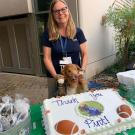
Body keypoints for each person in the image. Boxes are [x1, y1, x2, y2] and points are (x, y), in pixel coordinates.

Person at [42, 0, 88, 98]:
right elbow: (47, 58)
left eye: (63, 9)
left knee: (78, 99)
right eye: (56, 11)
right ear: (53, 14)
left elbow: (84, 54)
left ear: (68, 10)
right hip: (56, 77)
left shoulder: (78, 32)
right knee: (56, 102)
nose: (60, 13)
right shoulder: (48, 34)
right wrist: (56, 76)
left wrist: (82, 71)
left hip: (75, 76)